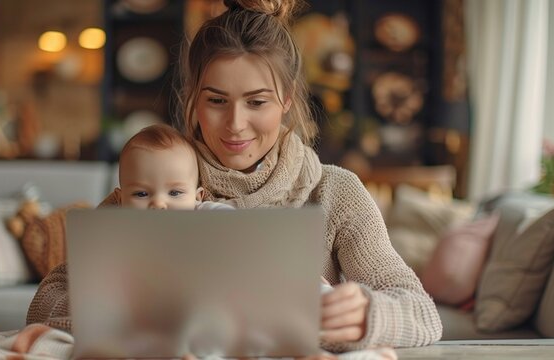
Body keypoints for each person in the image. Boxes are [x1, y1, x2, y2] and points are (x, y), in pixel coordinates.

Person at [27, 0, 442, 353]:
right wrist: (129, 316)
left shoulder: (335, 192)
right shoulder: (153, 191)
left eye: (256, 102)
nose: (235, 125)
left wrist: (368, 316)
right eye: (217, 101)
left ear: (286, 99)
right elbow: (47, 300)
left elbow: (423, 315)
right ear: (193, 99)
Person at [115, 123, 234, 210]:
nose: (158, 204)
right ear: (120, 200)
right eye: (141, 194)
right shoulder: (117, 226)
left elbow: (228, 218)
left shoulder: (199, 212)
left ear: (197, 198)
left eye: (174, 193)